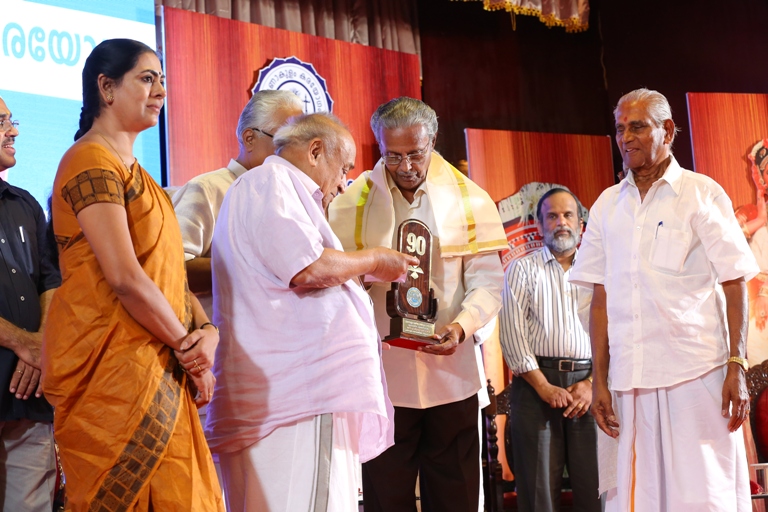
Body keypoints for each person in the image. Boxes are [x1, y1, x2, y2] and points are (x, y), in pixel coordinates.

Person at [41, 38, 224, 511]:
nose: (160, 91)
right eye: (146, 79)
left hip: (159, 365)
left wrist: (206, 330)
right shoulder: (89, 160)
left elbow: (168, 277)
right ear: (106, 88)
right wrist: (188, 350)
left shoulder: (141, 177)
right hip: (116, 377)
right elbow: (125, 276)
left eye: (161, 80)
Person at [205, 112, 417, 512]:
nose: (344, 182)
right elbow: (308, 268)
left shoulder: (272, 187)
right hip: (300, 398)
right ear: (316, 151)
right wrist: (374, 259)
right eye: (344, 168)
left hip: (291, 398)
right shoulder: (272, 182)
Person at [569, 88, 758, 511]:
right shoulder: (605, 206)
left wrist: (737, 364)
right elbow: (599, 298)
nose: (626, 138)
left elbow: (734, 281)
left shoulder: (702, 193)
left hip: (696, 375)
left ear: (668, 130)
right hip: (629, 382)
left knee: (704, 497)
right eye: (620, 129)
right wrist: (600, 380)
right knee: (637, 500)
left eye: (637, 127)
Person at [329, 97, 507, 512]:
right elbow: (335, 282)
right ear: (379, 146)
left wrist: (462, 326)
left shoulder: (470, 199)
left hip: (451, 373)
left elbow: (487, 283)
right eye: (393, 155)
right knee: (385, 496)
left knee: (456, 494)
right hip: (384, 377)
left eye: (415, 153)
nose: (406, 166)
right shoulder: (351, 202)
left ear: (433, 141)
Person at [499, 188, 600, 512]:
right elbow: (512, 335)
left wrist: (592, 384)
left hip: (591, 387)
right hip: (535, 387)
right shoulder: (521, 269)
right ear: (539, 225)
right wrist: (543, 386)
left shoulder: (599, 271)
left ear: (581, 223)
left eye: (568, 215)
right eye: (552, 216)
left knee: (597, 489)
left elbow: (617, 334)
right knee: (538, 493)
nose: (561, 223)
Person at [173, 89, 303, 299]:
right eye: (285, 142)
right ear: (249, 138)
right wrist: (256, 269)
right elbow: (173, 267)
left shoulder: (292, 198)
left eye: (300, 143)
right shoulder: (208, 189)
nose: (295, 154)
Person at [0, 97, 60, 511]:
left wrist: (39, 344)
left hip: (31, 398)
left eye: (12, 120)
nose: (14, 131)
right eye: (1, 122)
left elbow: (50, 281)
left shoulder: (26, 204)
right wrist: (24, 343)